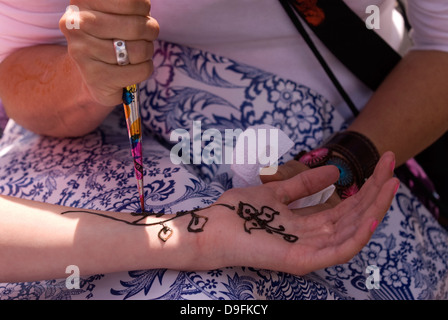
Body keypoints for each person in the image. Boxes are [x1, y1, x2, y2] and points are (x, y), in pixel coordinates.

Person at [0, 0, 446, 300]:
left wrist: (344, 162)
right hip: (100, 143)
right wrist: (86, 77)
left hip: (354, 132)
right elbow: (18, 62)